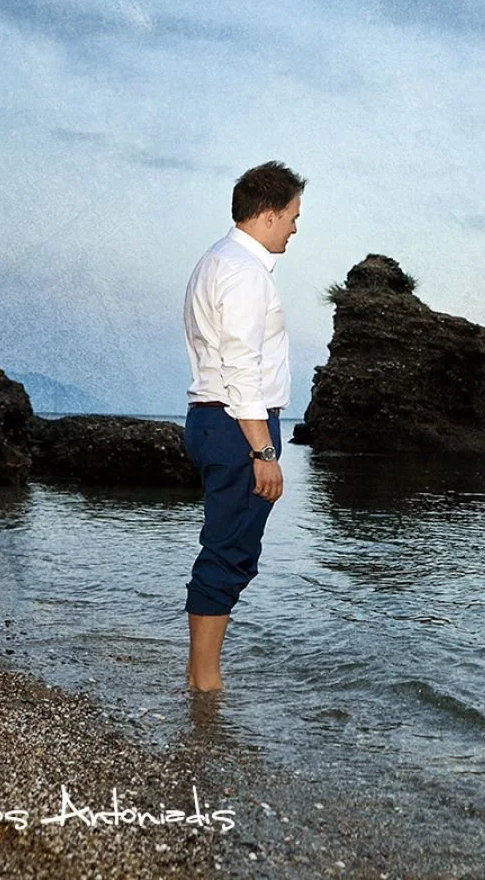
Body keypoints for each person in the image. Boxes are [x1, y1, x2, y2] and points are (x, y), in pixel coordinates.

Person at [181, 160, 306, 691]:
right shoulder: (244, 272)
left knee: (227, 546)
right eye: (295, 216)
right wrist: (264, 452)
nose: (298, 228)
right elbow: (240, 365)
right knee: (230, 550)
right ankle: (204, 681)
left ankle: (199, 672)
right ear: (271, 214)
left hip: (216, 420)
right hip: (238, 426)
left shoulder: (217, 260)